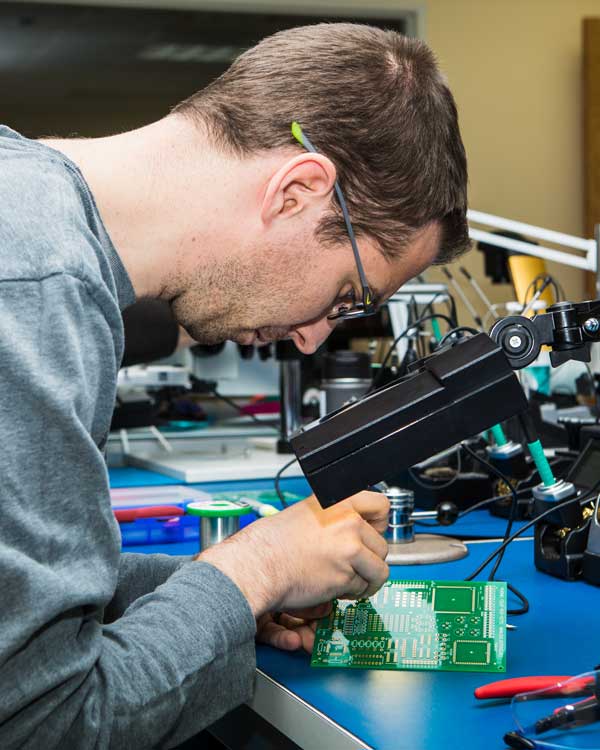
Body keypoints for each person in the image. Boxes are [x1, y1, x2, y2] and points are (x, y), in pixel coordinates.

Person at [0, 23, 469, 749]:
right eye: (349, 296)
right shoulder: (36, 286)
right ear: (298, 192)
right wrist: (257, 567)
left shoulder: (23, 200)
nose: (313, 339)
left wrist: (218, 589)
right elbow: (47, 725)